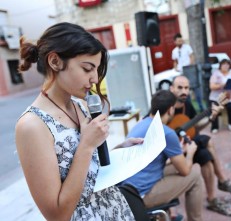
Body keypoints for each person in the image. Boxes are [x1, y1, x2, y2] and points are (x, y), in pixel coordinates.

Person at [15, 22, 144, 221]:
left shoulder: (80, 105)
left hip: (114, 209)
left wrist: (120, 150)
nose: (94, 78)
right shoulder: (32, 126)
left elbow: (87, 169)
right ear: (55, 61)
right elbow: (57, 214)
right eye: (87, 68)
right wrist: (87, 145)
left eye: (97, 69)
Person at [170, 75, 231, 216]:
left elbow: (195, 128)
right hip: (172, 153)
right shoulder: (165, 107)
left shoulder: (187, 104)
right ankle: (223, 180)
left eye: (187, 88)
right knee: (207, 140)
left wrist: (211, 117)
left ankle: (212, 199)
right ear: (171, 89)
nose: (184, 91)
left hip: (187, 147)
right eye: (180, 87)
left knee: (206, 155)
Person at [122, 90, 203, 221]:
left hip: (127, 189)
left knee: (175, 167)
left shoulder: (141, 123)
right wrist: (191, 152)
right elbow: (185, 170)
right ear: (171, 109)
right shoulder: (166, 132)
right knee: (195, 174)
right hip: (141, 195)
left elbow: (153, 161)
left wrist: (178, 153)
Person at [172, 33, 204, 112]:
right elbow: (175, 61)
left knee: (196, 89)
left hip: (189, 70)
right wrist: (176, 67)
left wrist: (191, 65)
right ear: (175, 42)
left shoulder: (187, 47)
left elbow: (192, 56)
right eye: (178, 41)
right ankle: (190, 109)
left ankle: (201, 107)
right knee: (185, 91)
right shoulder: (174, 51)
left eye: (181, 40)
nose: (180, 42)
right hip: (182, 72)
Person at [209, 59, 231, 133]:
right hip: (216, 96)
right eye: (224, 64)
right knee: (214, 108)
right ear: (220, 66)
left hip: (229, 96)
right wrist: (222, 85)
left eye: (227, 64)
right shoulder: (215, 74)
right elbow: (212, 86)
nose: (226, 66)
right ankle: (214, 127)